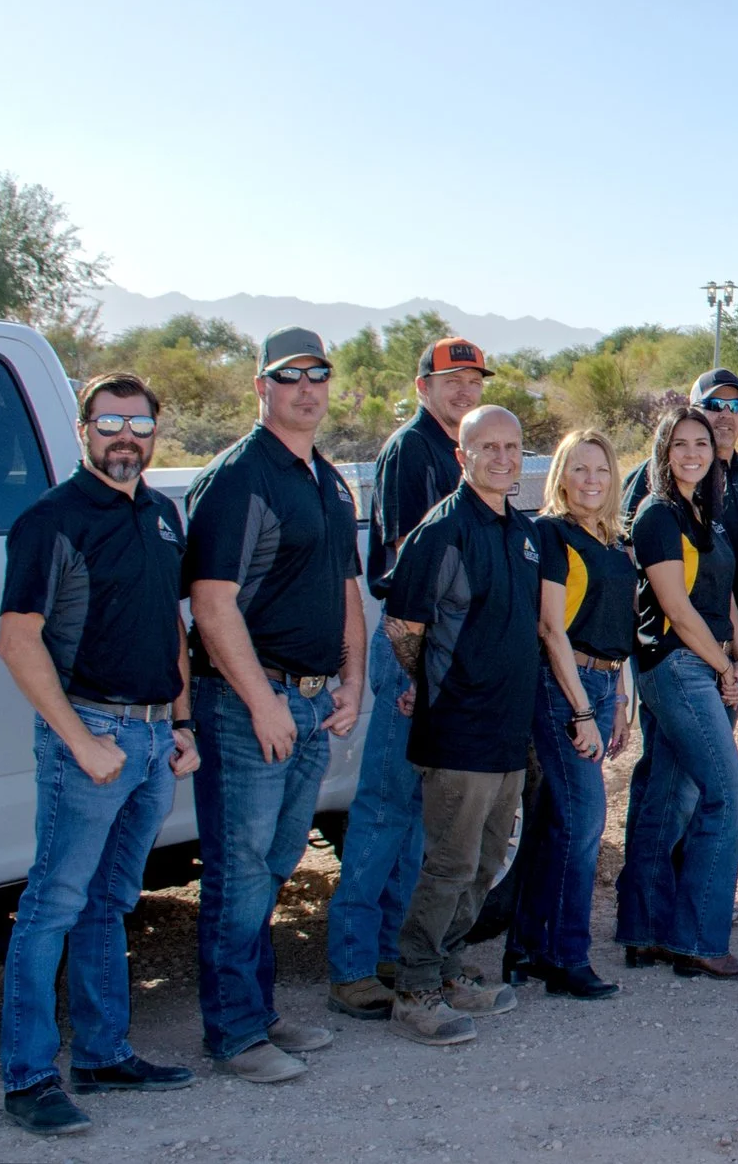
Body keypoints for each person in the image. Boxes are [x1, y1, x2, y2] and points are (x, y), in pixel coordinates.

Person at [0, 374, 199, 1137]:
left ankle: (104, 1052)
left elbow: (170, 624)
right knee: (52, 903)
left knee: (111, 901)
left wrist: (182, 723)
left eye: (139, 424)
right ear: (84, 429)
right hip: (89, 734)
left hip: (152, 738)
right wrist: (81, 742)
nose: (126, 437)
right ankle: (28, 1078)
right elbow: (17, 641)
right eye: (110, 422)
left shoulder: (162, 514)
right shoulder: (51, 521)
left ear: (154, 433)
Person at [183, 327, 366, 1082]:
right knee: (238, 869)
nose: (306, 388)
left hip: (313, 703)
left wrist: (353, 680)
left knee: (274, 865)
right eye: (290, 376)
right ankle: (233, 1033)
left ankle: (256, 1011)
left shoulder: (327, 479)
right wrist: (263, 704)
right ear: (261, 386)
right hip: (247, 703)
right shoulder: (239, 478)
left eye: (318, 374)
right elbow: (211, 603)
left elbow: (346, 588)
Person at [327, 335, 487, 1022]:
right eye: (452, 380)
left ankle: (397, 952)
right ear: (423, 386)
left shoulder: (464, 453)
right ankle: (352, 966)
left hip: (450, 652)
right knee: (385, 807)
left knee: (421, 814)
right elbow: (405, 563)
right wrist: (420, 666)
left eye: (474, 380)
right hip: (412, 645)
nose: (464, 390)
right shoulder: (411, 450)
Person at [379, 406, 543, 1046]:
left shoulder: (520, 530)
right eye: (488, 447)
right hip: (458, 730)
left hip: (507, 730)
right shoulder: (442, 532)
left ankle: (448, 970)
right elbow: (403, 627)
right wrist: (427, 683)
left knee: (485, 863)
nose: (502, 458)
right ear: (462, 456)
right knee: (449, 864)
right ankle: (415, 989)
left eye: (512, 447)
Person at [614, 408, 738, 979]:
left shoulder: (708, 515)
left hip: (710, 662)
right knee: (728, 797)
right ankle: (699, 939)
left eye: (701, 442)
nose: (693, 452)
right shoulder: (657, 514)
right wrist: (723, 665)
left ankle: (646, 932)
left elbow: (725, 595)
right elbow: (675, 607)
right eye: (680, 444)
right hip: (677, 666)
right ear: (663, 452)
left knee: (670, 797)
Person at [504, 429, 636, 1000]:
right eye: (579, 469)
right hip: (565, 687)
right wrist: (581, 709)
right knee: (585, 820)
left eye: (601, 470)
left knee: (560, 819)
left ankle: (527, 946)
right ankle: (566, 958)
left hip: (605, 683)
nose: (591, 480)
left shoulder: (614, 541)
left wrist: (620, 700)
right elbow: (551, 628)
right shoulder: (551, 534)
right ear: (561, 477)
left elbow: (619, 626)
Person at [621, 367, 738, 632]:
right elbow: (627, 554)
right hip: (677, 640)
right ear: (692, 409)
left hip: (735, 637)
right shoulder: (659, 472)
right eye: (714, 404)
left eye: (736, 406)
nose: (726, 414)